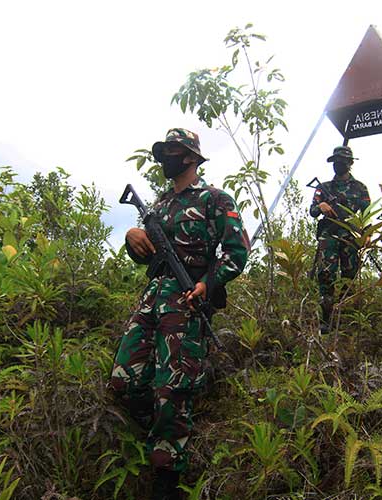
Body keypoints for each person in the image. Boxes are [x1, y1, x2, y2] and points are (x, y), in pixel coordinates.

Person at [109, 128, 250, 500]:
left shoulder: (214, 199)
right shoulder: (157, 206)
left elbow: (237, 253)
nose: (164, 158)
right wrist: (132, 239)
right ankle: (156, 434)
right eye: (164, 151)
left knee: (172, 388)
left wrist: (208, 283)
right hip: (154, 294)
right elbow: (146, 256)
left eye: (171, 151)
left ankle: (167, 475)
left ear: (189, 157)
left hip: (187, 300)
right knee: (124, 379)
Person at [309, 145, 370, 334]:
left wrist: (366, 235)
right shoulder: (323, 188)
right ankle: (326, 320)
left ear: (350, 164)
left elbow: (366, 214)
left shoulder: (360, 188)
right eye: (336, 162)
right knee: (326, 276)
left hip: (350, 239)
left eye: (343, 162)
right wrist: (322, 207)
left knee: (349, 277)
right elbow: (312, 211)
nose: (339, 165)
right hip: (329, 239)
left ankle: (347, 323)